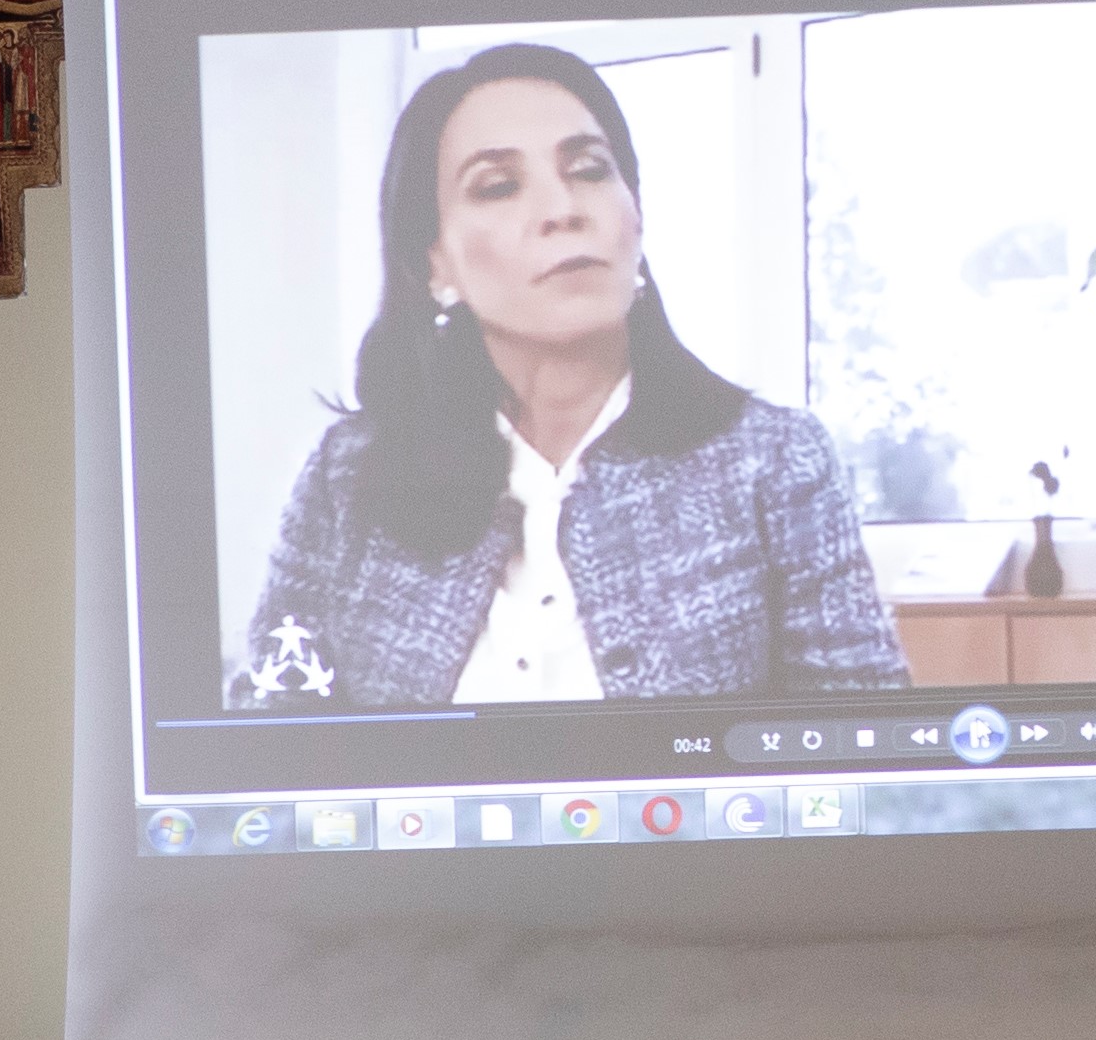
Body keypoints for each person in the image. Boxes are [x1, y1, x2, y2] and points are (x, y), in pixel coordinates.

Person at [227, 42, 906, 713]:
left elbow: (869, 753)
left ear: (634, 216)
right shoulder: (348, 478)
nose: (563, 209)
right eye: (498, 186)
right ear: (436, 262)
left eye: (589, 170)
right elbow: (269, 745)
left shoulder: (775, 462)